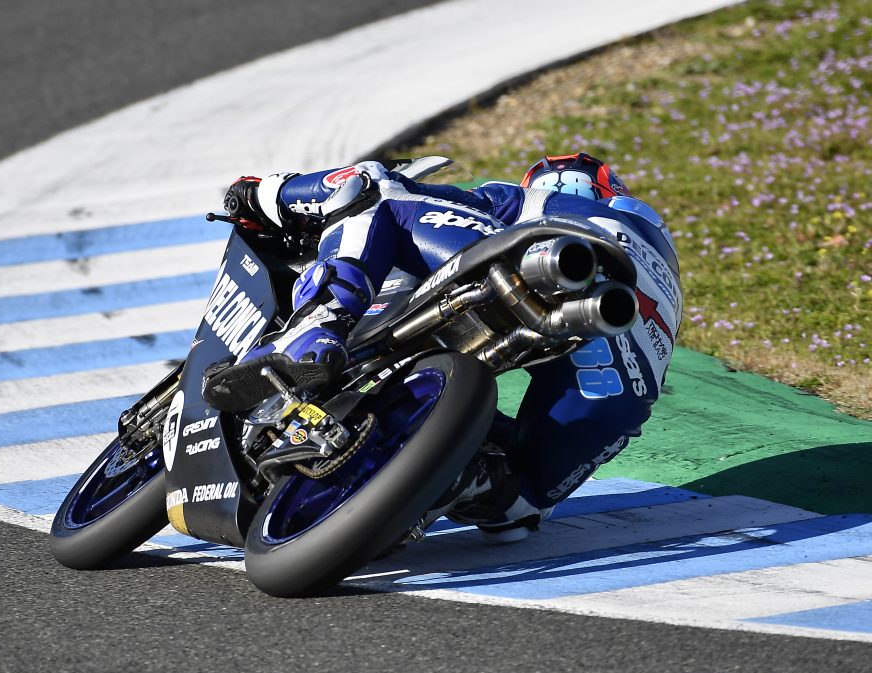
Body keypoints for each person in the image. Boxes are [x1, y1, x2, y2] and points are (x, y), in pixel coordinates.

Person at [204, 153, 683, 543]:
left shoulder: (541, 199)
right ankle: (461, 479)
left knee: (374, 191)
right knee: (518, 507)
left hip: (542, 257)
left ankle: (317, 325)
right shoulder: (661, 261)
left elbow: (421, 196)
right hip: (624, 381)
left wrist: (263, 196)